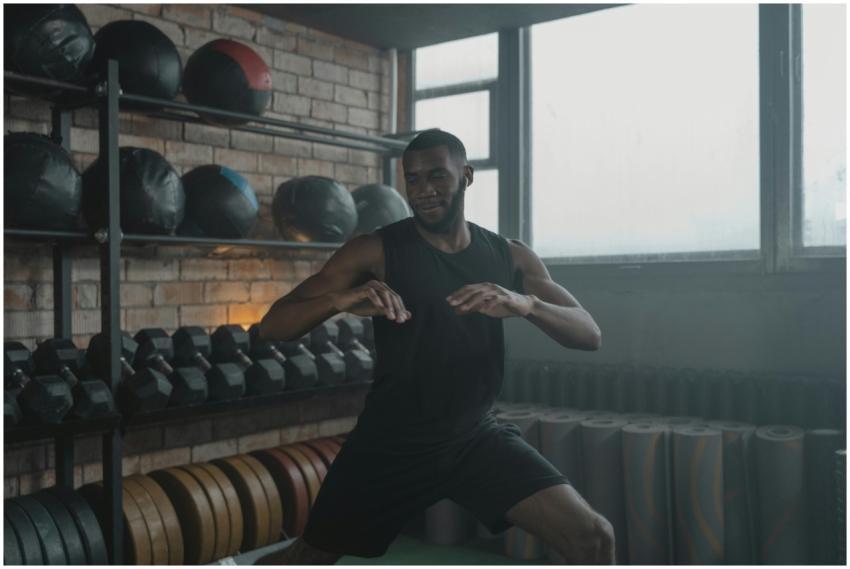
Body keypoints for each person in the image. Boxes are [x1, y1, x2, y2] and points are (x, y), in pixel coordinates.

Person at [256, 129, 614, 564]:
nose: (424, 190)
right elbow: (273, 326)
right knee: (306, 559)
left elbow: (589, 333)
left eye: (437, 176)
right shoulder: (374, 251)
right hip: (390, 444)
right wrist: (337, 301)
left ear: (466, 175)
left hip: (474, 437)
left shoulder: (510, 256)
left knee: (593, 537)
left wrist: (526, 304)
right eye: (414, 179)